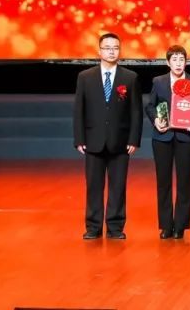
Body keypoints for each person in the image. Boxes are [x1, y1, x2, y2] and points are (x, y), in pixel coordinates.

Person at [73, 32, 141, 240]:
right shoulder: (85, 77)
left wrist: (134, 139)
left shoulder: (130, 77)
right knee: (93, 186)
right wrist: (79, 139)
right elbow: (79, 110)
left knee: (118, 186)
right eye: (107, 48)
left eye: (115, 48)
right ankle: (93, 227)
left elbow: (136, 111)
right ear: (99, 51)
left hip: (120, 142)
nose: (111, 52)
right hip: (93, 140)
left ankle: (115, 227)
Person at [144, 44, 190, 239]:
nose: (178, 63)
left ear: (186, 62)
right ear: (168, 62)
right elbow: (150, 106)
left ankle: (181, 226)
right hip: (163, 136)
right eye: (174, 60)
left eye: (181, 60)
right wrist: (156, 120)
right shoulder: (159, 81)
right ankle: (166, 225)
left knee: (184, 181)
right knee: (163, 182)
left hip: (186, 137)